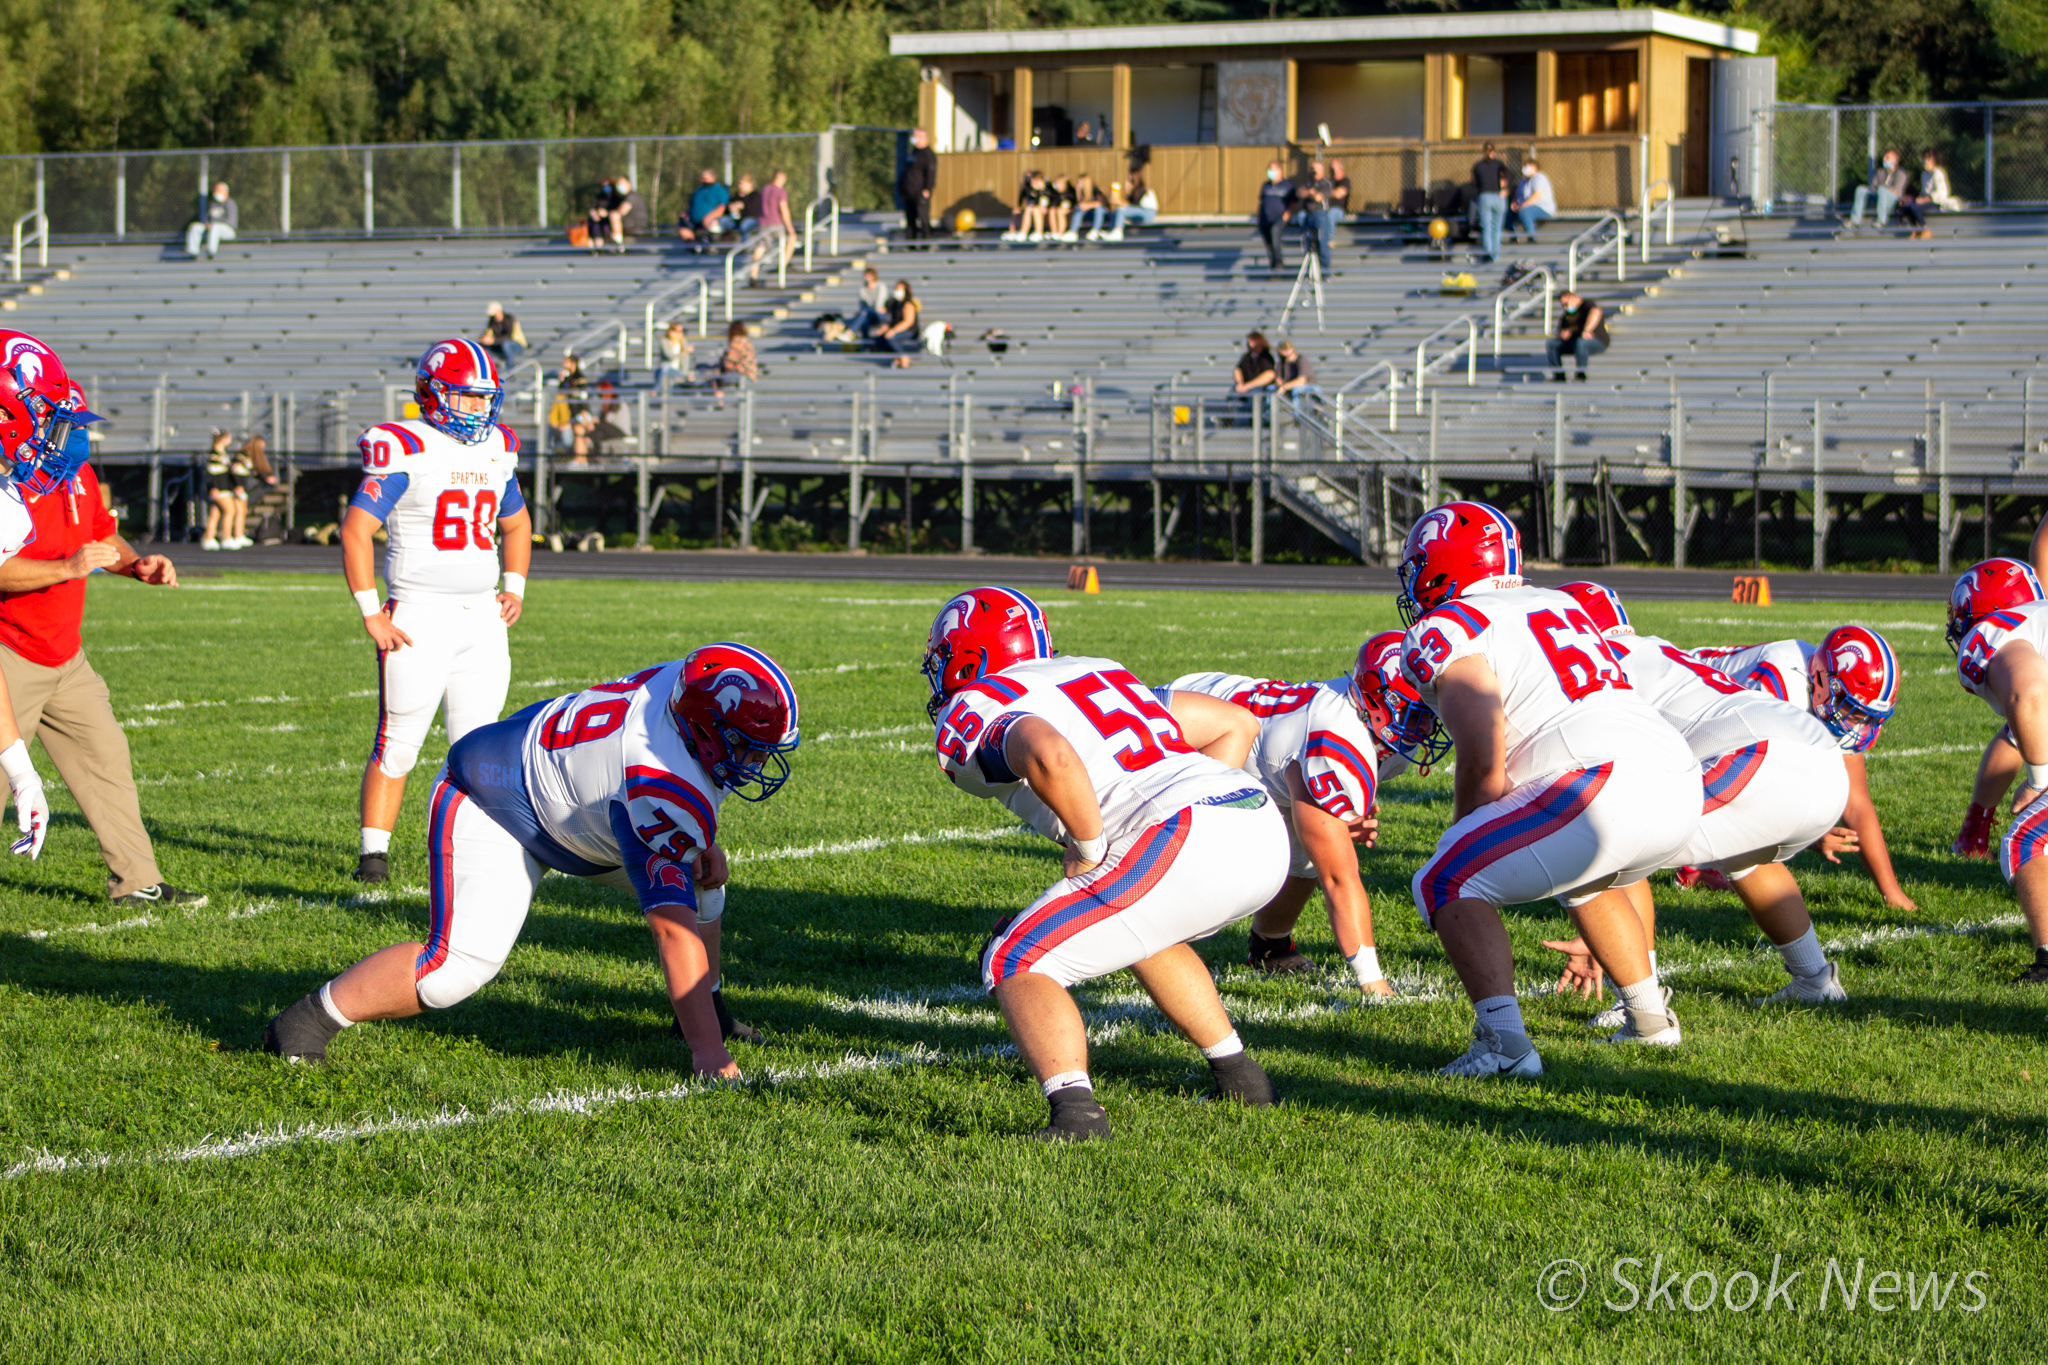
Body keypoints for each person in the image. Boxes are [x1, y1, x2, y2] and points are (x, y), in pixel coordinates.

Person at [263, 644, 799, 1067]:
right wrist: (710, 1059)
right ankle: (306, 1022)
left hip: (583, 807)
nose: (758, 761)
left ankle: (705, 1013)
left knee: (705, 879)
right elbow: (671, 929)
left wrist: (694, 845)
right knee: (451, 973)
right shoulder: (660, 779)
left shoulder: (679, 693)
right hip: (498, 799)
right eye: (749, 746)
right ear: (706, 730)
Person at [923, 586, 1290, 1140]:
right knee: (1141, 929)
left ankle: (1077, 1118)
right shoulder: (1096, 671)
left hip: (1189, 832)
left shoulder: (974, 702)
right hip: (1256, 819)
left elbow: (1049, 753)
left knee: (1016, 957)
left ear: (968, 656)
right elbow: (1235, 723)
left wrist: (1089, 846)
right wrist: (1202, 800)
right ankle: (1243, 1080)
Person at [1395, 502, 1701, 1072]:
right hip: (1679, 779)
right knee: (1586, 878)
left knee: (1444, 879)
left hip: (1602, 783)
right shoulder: (1560, 602)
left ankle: (1503, 1046)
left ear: (1440, 566)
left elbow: (1482, 756)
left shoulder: (1446, 627)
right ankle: (1649, 1019)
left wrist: (1464, 836)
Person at [1539, 583, 1856, 1029]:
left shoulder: (1602, 672)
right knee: (1743, 854)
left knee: (1607, 843)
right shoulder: (1654, 650)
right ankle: (1815, 979)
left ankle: (1637, 1003)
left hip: (1758, 753)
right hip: (1818, 762)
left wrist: (1599, 933)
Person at [343, 339, 533, 884]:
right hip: (418, 616)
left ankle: (471, 857)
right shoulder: (405, 445)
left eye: (484, 399)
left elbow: (516, 523)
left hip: (481, 618)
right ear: (432, 394)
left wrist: (515, 585)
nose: (477, 411)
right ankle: (373, 859)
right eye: (466, 398)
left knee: (478, 749)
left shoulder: (497, 447)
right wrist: (369, 612)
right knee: (398, 743)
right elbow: (357, 531)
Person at [0, 435, 204, 906]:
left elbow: (99, 534)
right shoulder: (12, 481)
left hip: (64, 653)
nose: (73, 435)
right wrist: (65, 568)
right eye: (62, 422)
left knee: (105, 754)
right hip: (10, 646)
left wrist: (136, 565)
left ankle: (135, 881)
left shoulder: (77, 474)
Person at [1155, 669, 1392, 995]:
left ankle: (1270, 946)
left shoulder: (1365, 724)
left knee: (1307, 851)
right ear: (1377, 705)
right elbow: (1338, 878)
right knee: (1193, 848)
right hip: (1181, 728)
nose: (1426, 723)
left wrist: (1338, 816)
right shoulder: (1334, 740)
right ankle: (1129, 924)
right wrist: (1372, 981)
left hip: (1242, 733)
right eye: (1414, 711)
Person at [0, 335, 123, 875]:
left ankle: (138, 879)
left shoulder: (13, 501)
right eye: (48, 419)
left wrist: (22, 772)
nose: (63, 440)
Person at [1687, 627, 1913, 910]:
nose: (1858, 725)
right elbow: (1753, 788)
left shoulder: (1826, 689)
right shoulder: (1780, 685)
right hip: (1689, 707)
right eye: (1853, 711)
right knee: (1710, 786)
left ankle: (1699, 861)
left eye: (1867, 717)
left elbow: (1856, 804)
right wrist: (1810, 835)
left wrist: (1892, 893)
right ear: (1819, 679)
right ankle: (1692, 858)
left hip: (1720, 721)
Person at [1947, 557, 2048, 982]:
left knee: (2025, 841)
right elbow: (2018, 730)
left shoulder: (1995, 633)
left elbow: (2028, 695)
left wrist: (2039, 783)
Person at [1546, 290, 1608, 382]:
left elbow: (1596, 312)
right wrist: (1562, 334)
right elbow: (1560, 329)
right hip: (1574, 342)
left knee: (1581, 342)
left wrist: (1587, 330)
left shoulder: (1587, 305)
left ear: (1572, 298)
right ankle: (1559, 375)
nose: (1566, 307)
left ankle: (1581, 374)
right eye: (1563, 305)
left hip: (1596, 340)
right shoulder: (1567, 314)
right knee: (1551, 343)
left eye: (1566, 304)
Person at [749, 170, 795, 283]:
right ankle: (783, 264)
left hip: (763, 222)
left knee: (761, 246)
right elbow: (784, 209)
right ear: (782, 179)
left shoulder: (764, 189)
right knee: (792, 238)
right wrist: (789, 227)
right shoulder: (780, 191)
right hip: (775, 222)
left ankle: (753, 274)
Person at [1470, 142, 1511, 262]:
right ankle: (1496, 255)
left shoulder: (1478, 166)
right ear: (1494, 151)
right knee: (1496, 227)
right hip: (1498, 196)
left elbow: (1474, 184)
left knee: (1486, 227)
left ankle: (1487, 252)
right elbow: (1509, 176)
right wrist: (1505, 188)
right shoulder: (1499, 164)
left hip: (1484, 195)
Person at [1850, 148, 1909, 228]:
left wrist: (1883, 189)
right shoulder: (1880, 171)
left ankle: (1881, 220)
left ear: (1895, 160)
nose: (1884, 159)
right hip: (1878, 196)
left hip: (1893, 199)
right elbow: (1873, 186)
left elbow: (1896, 191)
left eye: (1887, 158)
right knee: (1861, 190)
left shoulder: (1901, 173)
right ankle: (1855, 220)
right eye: (1884, 157)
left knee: (1882, 190)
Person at [899, 128, 938, 244]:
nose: (914, 138)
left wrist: (927, 189)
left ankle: (927, 242)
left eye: (916, 136)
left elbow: (930, 174)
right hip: (909, 192)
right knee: (910, 220)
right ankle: (911, 244)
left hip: (920, 192)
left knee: (923, 218)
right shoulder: (914, 152)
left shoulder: (928, 154)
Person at [1256, 160, 1296, 271]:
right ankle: (1272, 265)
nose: (1270, 172)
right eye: (1269, 169)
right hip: (1265, 219)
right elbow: (1262, 201)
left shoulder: (1287, 185)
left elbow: (1293, 201)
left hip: (1279, 218)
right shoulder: (1266, 185)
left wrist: (1288, 213)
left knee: (1275, 233)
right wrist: (1259, 215)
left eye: (1273, 169)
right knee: (1268, 243)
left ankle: (1278, 263)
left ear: (1279, 171)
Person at [1298, 159, 1334, 274]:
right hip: (1308, 214)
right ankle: (1310, 271)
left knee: (1321, 242)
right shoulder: (1308, 182)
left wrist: (1311, 192)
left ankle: (1325, 272)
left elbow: (1319, 197)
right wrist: (1310, 192)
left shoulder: (1325, 183)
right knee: (1307, 243)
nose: (1313, 172)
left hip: (1320, 214)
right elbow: (1300, 192)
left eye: (1315, 170)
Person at [185, 182, 237, 260]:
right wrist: (207, 224)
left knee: (215, 227)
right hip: (212, 231)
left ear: (226, 193)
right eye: (215, 191)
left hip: (227, 231)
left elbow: (231, 222)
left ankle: (210, 251)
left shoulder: (230, 204)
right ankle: (193, 251)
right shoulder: (213, 204)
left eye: (219, 191)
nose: (216, 193)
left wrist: (213, 224)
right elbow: (207, 219)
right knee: (195, 227)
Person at [1511, 158, 1556, 242]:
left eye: (1528, 166)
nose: (1525, 168)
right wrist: (1514, 203)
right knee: (1508, 214)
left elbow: (1536, 196)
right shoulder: (1523, 181)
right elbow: (1517, 196)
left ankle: (1531, 237)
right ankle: (1515, 236)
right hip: (1524, 207)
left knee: (1524, 212)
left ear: (1535, 167)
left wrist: (1521, 206)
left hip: (1542, 208)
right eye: (1524, 166)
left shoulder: (1539, 177)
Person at [877, 281, 921, 368]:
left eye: (899, 289)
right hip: (897, 329)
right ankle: (896, 358)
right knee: (880, 340)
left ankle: (903, 358)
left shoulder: (908, 304)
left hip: (910, 331)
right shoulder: (894, 304)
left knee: (891, 338)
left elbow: (908, 322)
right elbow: (892, 320)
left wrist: (894, 330)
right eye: (896, 288)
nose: (896, 291)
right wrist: (884, 328)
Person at [1102, 173, 1157, 241]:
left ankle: (1118, 232)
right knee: (1116, 212)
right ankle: (1111, 232)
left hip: (1147, 213)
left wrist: (1120, 202)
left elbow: (1133, 205)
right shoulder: (1134, 191)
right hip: (1140, 211)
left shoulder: (1142, 189)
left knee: (1121, 210)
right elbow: (1129, 204)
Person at [683, 169, 731, 243]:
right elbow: (691, 205)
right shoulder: (698, 191)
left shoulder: (719, 191)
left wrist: (709, 217)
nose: (703, 180)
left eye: (705, 178)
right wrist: (686, 214)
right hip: (694, 222)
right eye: (702, 178)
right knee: (683, 229)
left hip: (711, 221)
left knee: (714, 227)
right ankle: (694, 247)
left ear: (713, 178)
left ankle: (712, 246)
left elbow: (721, 208)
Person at [479, 302, 526, 372]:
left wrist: (493, 341)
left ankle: (510, 370)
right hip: (500, 344)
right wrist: (484, 339)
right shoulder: (492, 321)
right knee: (481, 346)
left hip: (517, 344)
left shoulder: (510, 319)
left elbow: (509, 336)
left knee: (506, 344)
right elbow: (488, 332)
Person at [1233, 331, 1276, 396]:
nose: (1250, 342)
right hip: (1245, 386)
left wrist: (1248, 385)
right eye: (1249, 340)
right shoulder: (1247, 357)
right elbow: (1238, 370)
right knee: (1233, 393)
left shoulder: (1266, 357)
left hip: (1260, 387)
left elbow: (1270, 374)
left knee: (1254, 394)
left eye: (1253, 340)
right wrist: (1240, 383)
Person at [848, 267, 890, 335]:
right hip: (869, 314)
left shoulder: (880, 286)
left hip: (881, 315)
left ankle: (850, 332)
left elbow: (878, 306)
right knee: (865, 319)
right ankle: (865, 341)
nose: (866, 278)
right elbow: (862, 304)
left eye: (868, 276)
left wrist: (867, 310)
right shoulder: (862, 289)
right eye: (865, 276)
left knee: (864, 313)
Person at [1275, 339, 1316, 404]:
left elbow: (1301, 381)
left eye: (1287, 349)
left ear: (1292, 349)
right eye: (1282, 349)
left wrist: (1284, 387)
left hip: (1309, 386)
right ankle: (1269, 412)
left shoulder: (1301, 360)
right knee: (1271, 389)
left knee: (1296, 390)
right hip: (1288, 386)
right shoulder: (1282, 363)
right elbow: (1278, 378)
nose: (1285, 351)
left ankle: (1297, 413)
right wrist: (1279, 383)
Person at [652, 322, 692, 388]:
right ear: (671, 331)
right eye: (678, 331)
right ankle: (658, 390)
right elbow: (669, 356)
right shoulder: (664, 341)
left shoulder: (682, 342)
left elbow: (685, 360)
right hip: (664, 370)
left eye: (682, 331)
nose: (681, 333)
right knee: (665, 368)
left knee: (665, 369)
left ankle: (655, 389)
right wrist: (683, 352)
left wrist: (684, 374)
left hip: (677, 370)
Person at [1071, 174, 1110, 238]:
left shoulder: (1096, 190)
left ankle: (1095, 231)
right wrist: (1078, 193)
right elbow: (1079, 204)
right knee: (1079, 209)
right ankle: (1072, 232)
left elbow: (1101, 203)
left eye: (1080, 183)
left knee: (1098, 209)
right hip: (1090, 215)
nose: (1079, 184)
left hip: (1102, 215)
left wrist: (1088, 205)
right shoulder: (1081, 192)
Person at [1327, 159, 1351, 225]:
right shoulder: (1329, 181)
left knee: (1330, 214)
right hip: (1325, 208)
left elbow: (1338, 194)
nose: (1331, 172)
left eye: (1333, 169)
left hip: (1338, 210)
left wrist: (1324, 193)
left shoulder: (1345, 181)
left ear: (1340, 169)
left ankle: (1328, 235)